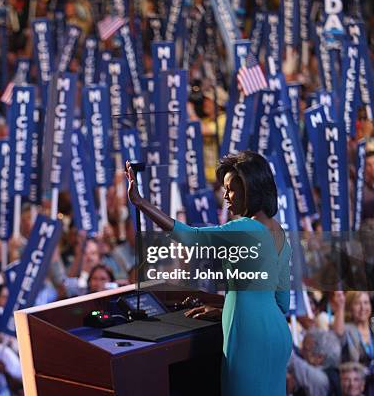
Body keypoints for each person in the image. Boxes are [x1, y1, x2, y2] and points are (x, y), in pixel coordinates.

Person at [125, 151, 293, 395]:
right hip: (279, 337)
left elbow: (189, 237)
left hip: (249, 339)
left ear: (252, 190)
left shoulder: (242, 229)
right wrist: (225, 311)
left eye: (231, 189)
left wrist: (140, 202)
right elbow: (282, 303)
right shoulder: (280, 234)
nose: (225, 196)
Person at [331, 291, 374, 396]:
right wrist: (340, 306)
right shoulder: (346, 329)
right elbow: (338, 335)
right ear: (350, 307)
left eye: (366, 303)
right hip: (353, 386)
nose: (362, 307)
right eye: (357, 303)